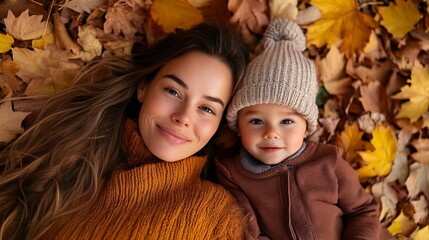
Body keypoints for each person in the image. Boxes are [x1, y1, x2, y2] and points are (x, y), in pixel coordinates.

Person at [0, 22, 249, 240]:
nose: (183, 117)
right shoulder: (62, 158)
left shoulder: (219, 218)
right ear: (144, 88)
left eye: (206, 108)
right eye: (173, 91)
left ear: (219, 126)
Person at [215, 19, 392, 240]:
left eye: (287, 122)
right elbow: (249, 231)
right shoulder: (234, 174)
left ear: (306, 128)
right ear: (238, 127)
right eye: (257, 121)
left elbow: (363, 210)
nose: (271, 133)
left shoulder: (328, 162)